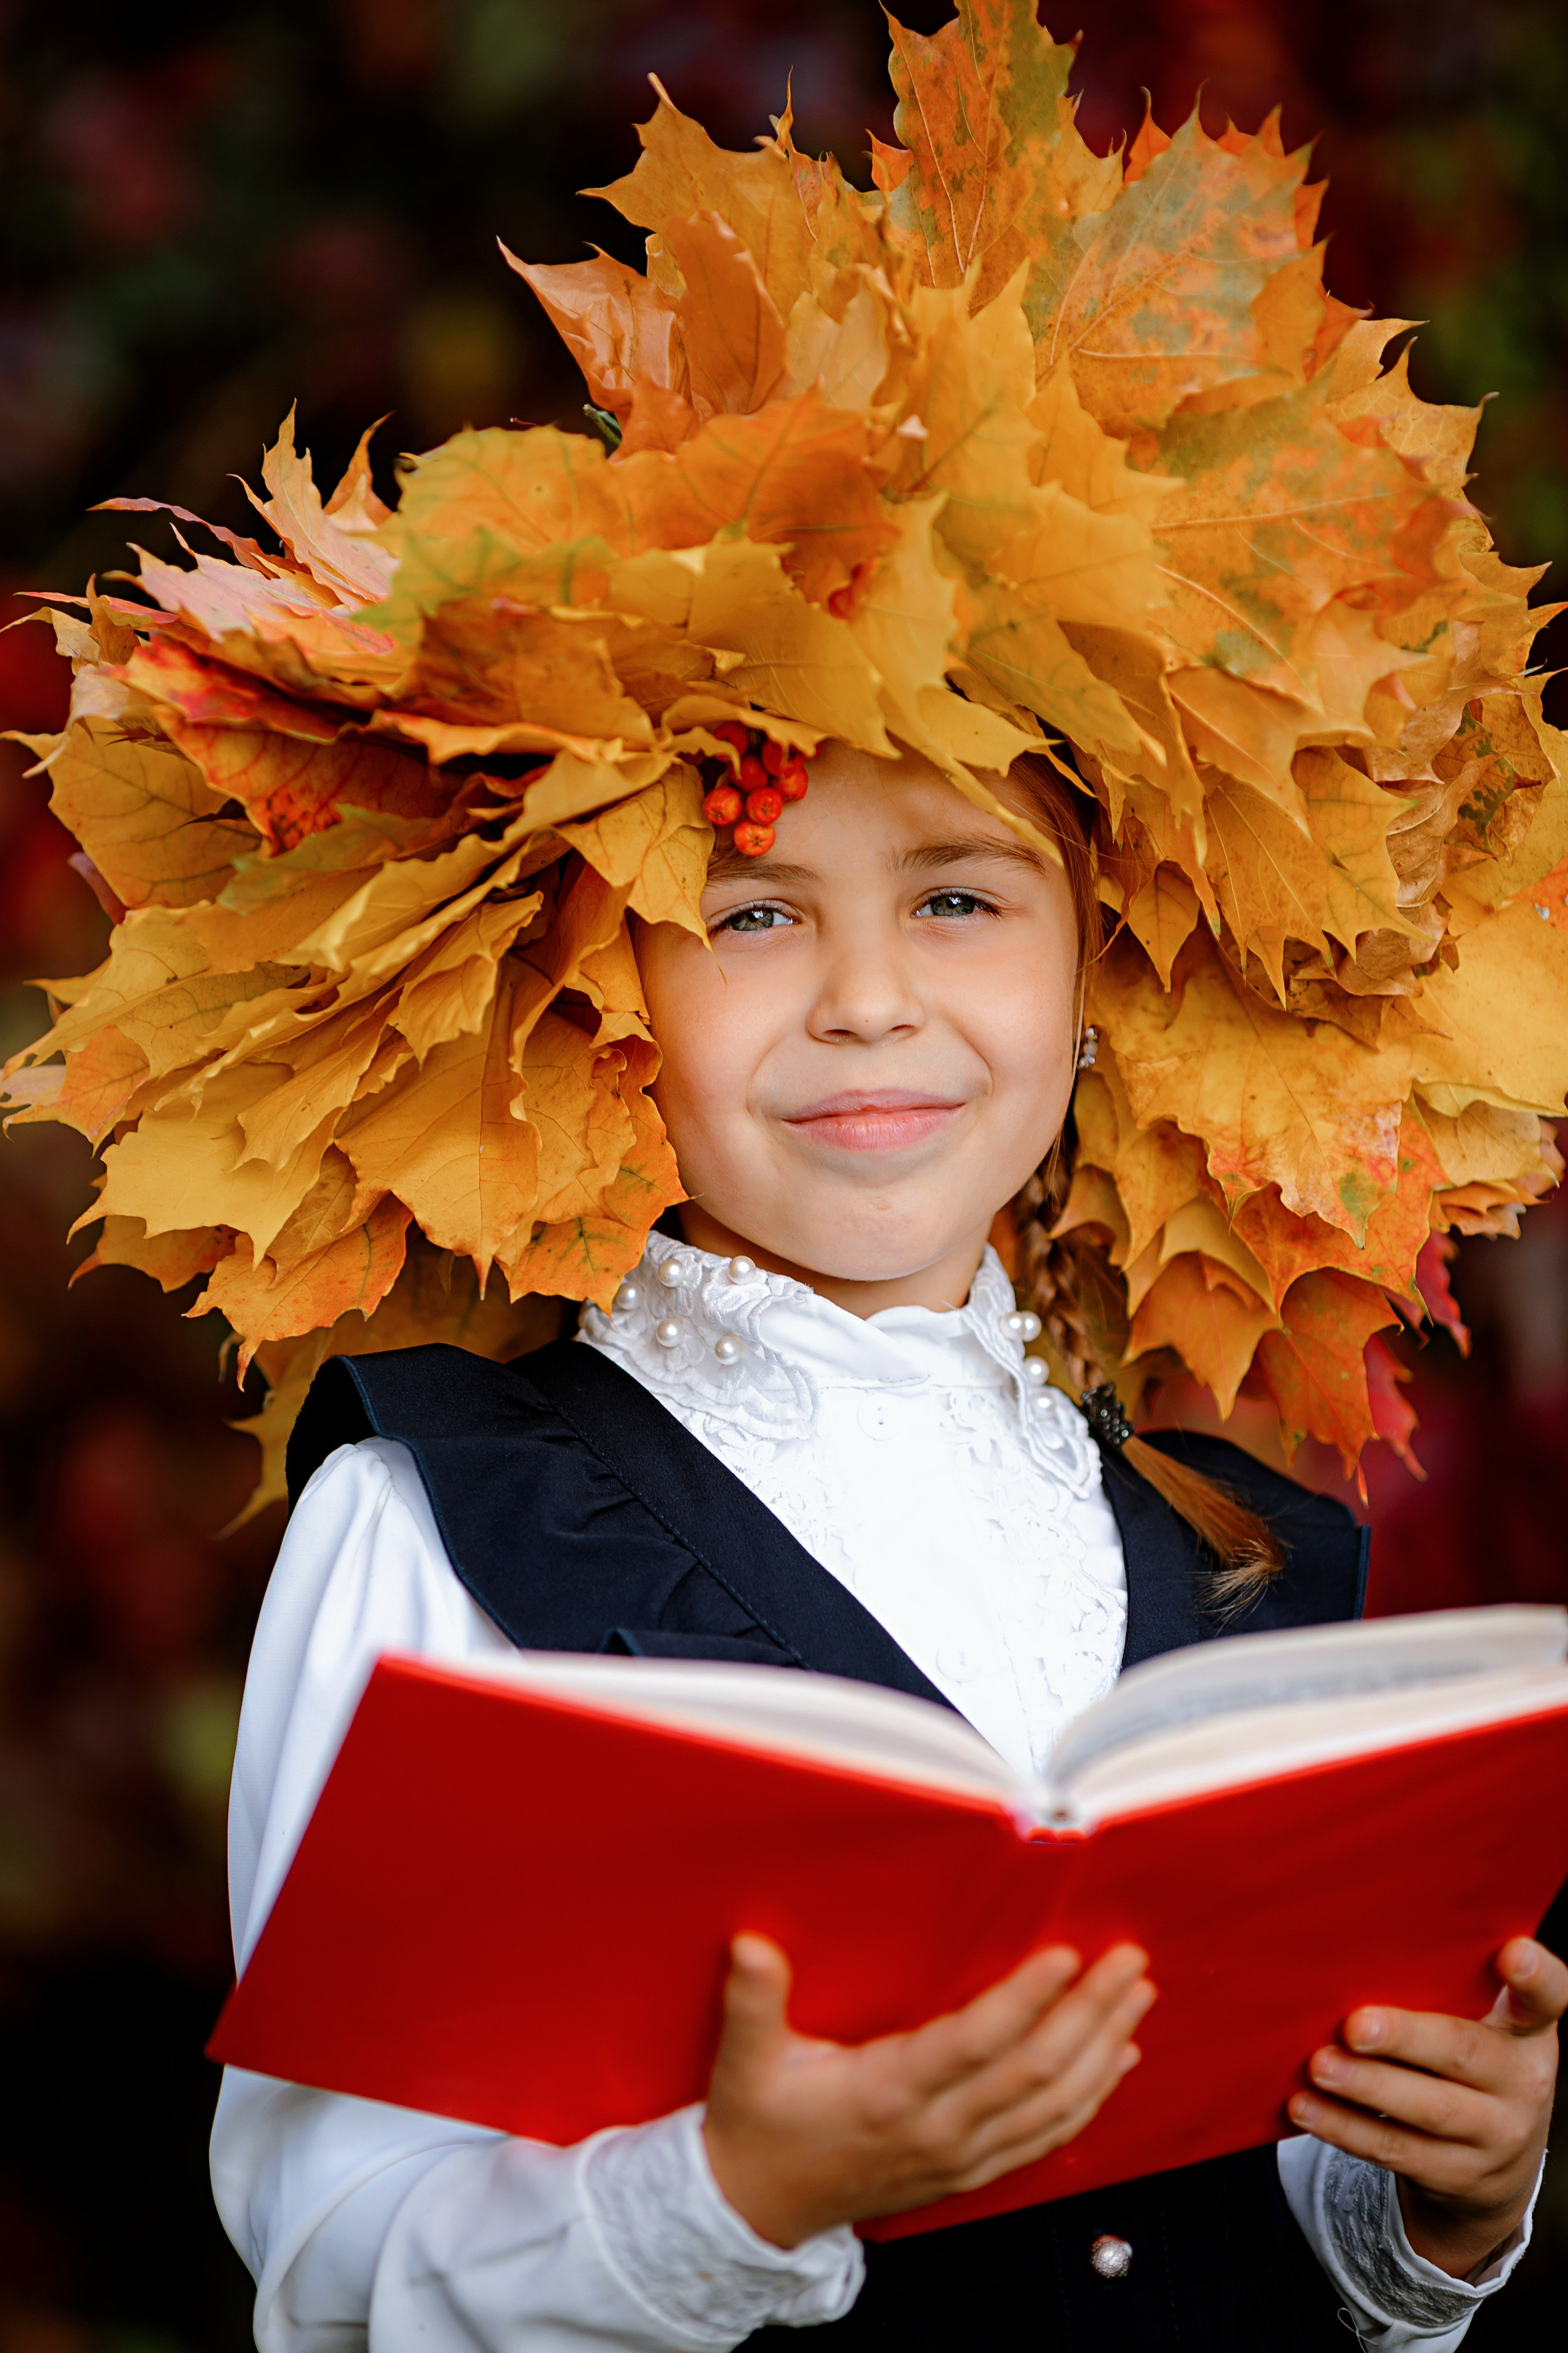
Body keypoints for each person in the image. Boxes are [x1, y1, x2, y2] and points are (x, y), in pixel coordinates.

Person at [212, 741, 1563, 2353]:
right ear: (598, 991)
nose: (867, 996)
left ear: (1091, 968)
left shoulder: (1259, 1558)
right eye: (752, 911)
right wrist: (734, 2197)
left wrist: (1431, 2201)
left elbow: (1238, 2211)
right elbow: (335, 2273)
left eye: (957, 896)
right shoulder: (439, 1521)